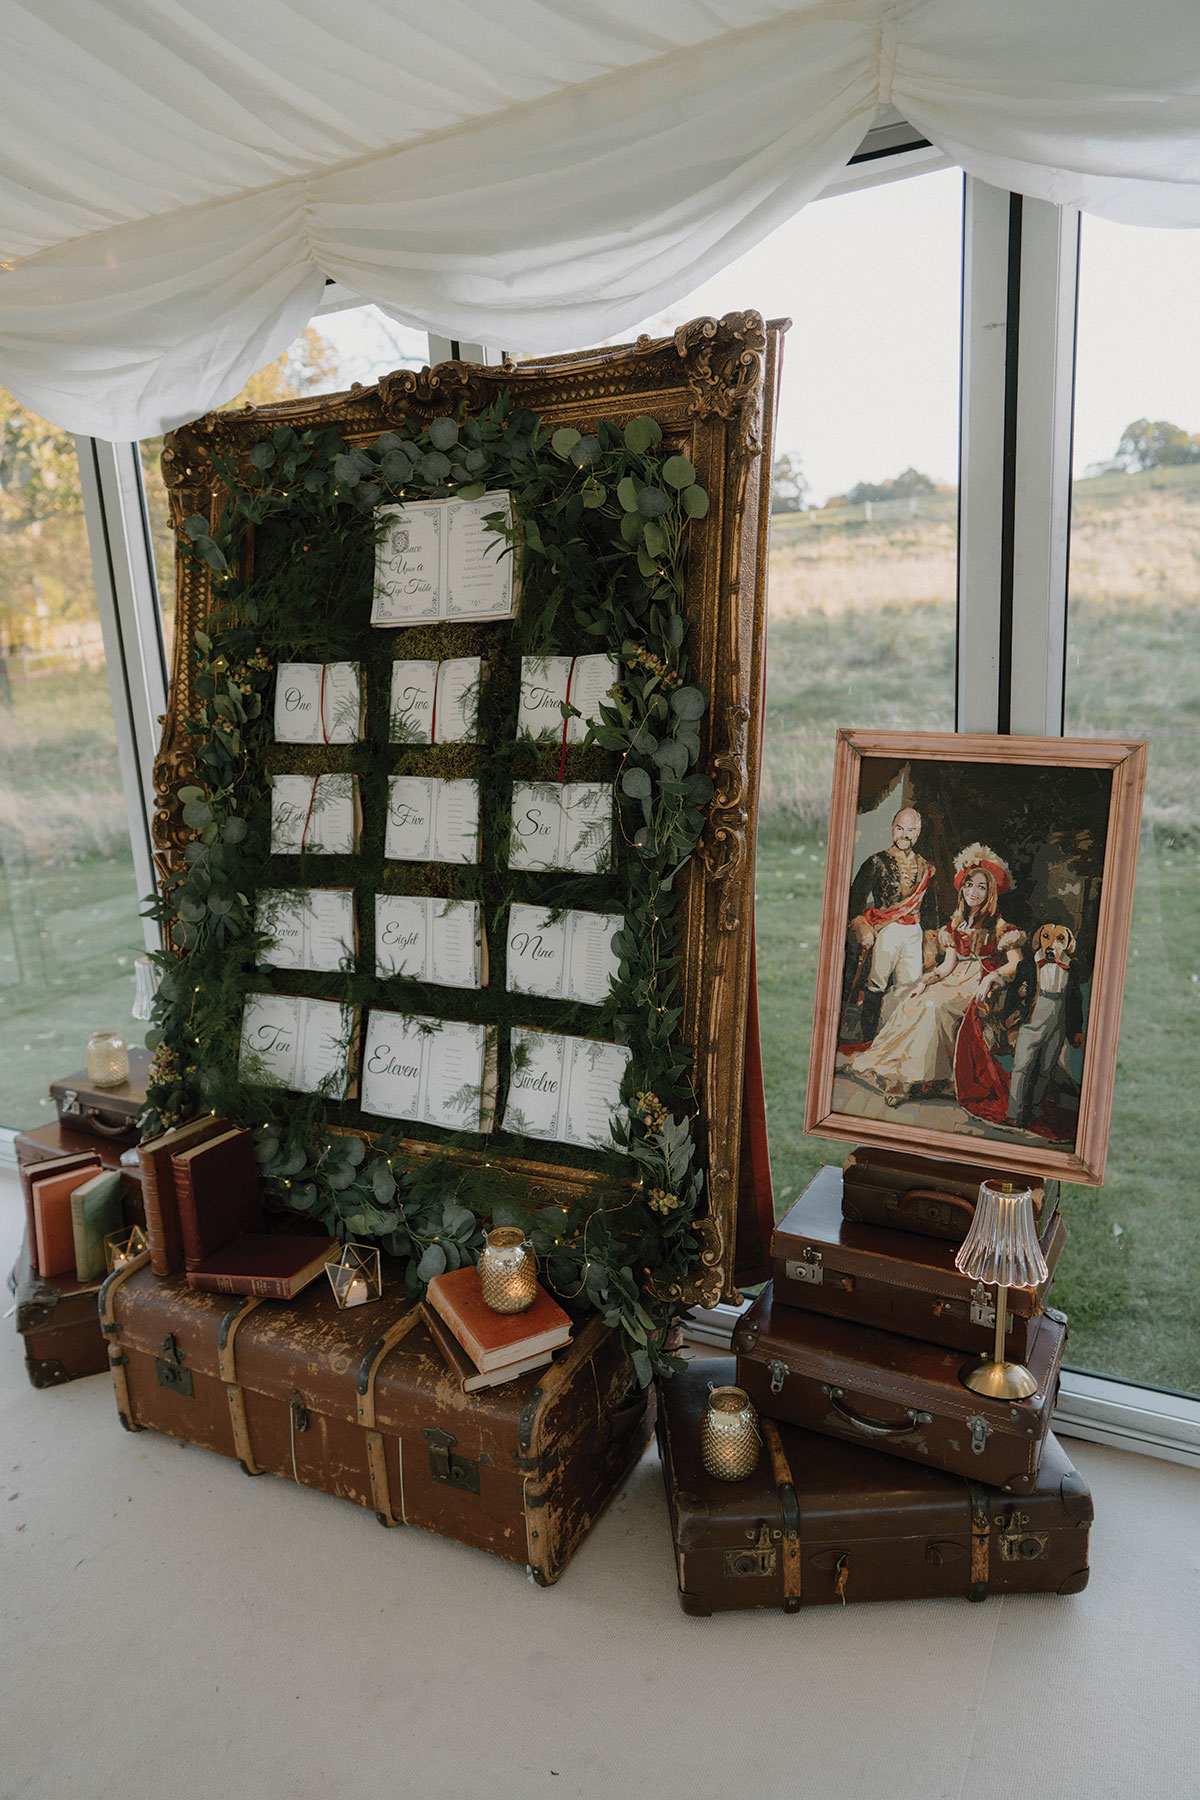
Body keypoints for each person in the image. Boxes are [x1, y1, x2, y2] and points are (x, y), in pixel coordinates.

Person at [843, 844, 1024, 1106]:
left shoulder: (999, 926)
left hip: (976, 982)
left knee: (933, 1007)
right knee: (914, 1001)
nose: (973, 892)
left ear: (990, 893)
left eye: (981, 887)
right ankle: (895, 1070)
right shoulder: (956, 925)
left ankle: (909, 1082)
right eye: (969, 885)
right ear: (962, 888)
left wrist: (990, 977)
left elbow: (1015, 963)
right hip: (953, 979)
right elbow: (946, 966)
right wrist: (924, 982)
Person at [840, 807, 938, 1048]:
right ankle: (869, 1042)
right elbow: (854, 903)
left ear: (918, 833)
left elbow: (930, 911)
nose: (905, 834)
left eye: (911, 830)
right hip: (886, 931)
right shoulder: (875, 862)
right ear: (892, 828)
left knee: (909, 989)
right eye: (900, 828)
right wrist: (863, 928)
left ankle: (898, 1044)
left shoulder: (926, 867)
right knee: (876, 985)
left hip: (913, 933)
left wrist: (930, 946)